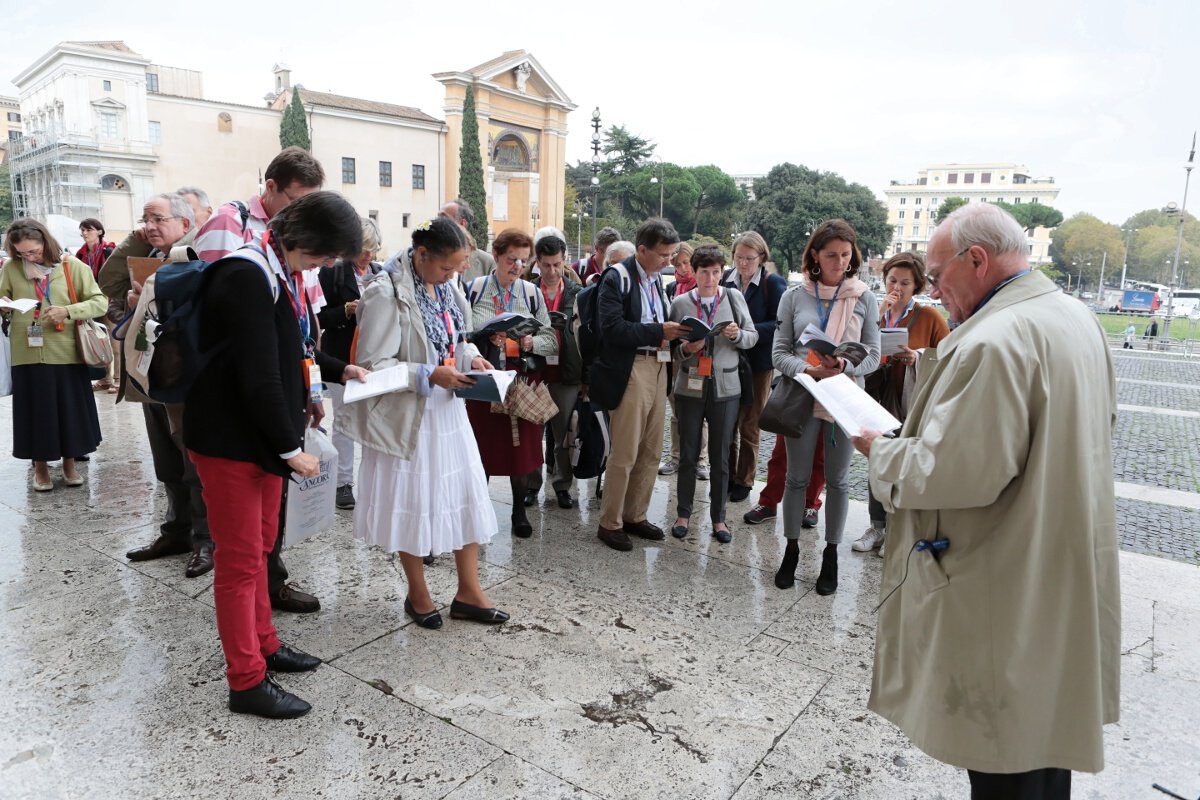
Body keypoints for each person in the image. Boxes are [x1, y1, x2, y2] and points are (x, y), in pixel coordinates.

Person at [851, 202, 1118, 799]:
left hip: (1002, 572)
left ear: (978, 259)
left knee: (1005, 751)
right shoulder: (1074, 316)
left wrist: (879, 449)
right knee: (1042, 743)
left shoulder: (993, 340)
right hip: (1055, 554)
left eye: (940, 275)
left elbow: (956, 472)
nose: (936, 291)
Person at [184, 191, 368, 719]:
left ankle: (266, 644)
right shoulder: (246, 272)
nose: (328, 265)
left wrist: (322, 382)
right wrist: (292, 450)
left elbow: (291, 352)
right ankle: (245, 680)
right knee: (240, 563)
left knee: (261, 550)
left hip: (260, 438)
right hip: (233, 441)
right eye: (326, 254)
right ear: (303, 237)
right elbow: (257, 373)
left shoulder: (273, 267)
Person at [339, 217, 508, 629]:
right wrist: (427, 374)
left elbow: (454, 338)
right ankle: (418, 593)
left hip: (448, 409)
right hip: (409, 415)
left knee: (464, 493)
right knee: (413, 501)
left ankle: (469, 590)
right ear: (421, 255)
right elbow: (372, 365)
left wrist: (471, 358)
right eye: (447, 267)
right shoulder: (385, 292)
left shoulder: (444, 286)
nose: (452, 276)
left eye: (457, 269)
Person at [192, 147, 327, 613]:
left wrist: (312, 388)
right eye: (295, 201)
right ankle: (248, 668)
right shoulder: (235, 237)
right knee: (242, 550)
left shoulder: (292, 250)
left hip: (274, 401)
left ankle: (265, 622)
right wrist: (287, 444)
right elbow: (235, 336)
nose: (302, 213)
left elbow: (301, 329)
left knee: (264, 535)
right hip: (236, 412)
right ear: (270, 188)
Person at [772, 219, 880, 595]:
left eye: (846, 255)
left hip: (845, 401)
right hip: (803, 396)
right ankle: (790, 549)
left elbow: (875, 356)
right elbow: (779, 353)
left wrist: (846, 365)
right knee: (796, 478)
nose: (839, 262)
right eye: (831, 254)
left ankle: (830, 554)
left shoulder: (864, 296)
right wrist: (809, 370)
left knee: (836, 481)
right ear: (815, 255)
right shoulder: (794, 295)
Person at [118, 194, 216, 579]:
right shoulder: (149, 261)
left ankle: (204, 539)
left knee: (193, 462)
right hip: (149, 376)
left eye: (158, 219)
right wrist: (134, 303)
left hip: (182, 379)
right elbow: (107, 278)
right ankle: (175, 532)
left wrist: (152, 302)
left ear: (185, 223)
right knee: (164, 461)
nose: (149, 226)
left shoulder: (197, 263)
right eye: (145, 219)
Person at [589, 218, 687, 551]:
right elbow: (612, 329)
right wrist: (660, 331)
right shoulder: (617, 277)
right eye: (663, 254)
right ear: (642, 250)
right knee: (626, 451)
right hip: (630, 367)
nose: (668, 261)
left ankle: (635, 514)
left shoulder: (657, 280)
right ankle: (610, 522)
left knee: (650, 450)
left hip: (659, 367)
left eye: (672, 255)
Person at [851, 252, 949, 558]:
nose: (898, 287)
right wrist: (878, 312)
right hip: (875, 397)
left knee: (905, 464)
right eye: (892, 280)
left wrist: (915, 357)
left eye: (905, 282)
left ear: (916, 285)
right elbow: (855, 343)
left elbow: (946, 358)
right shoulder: (875, 311)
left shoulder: (929, 317)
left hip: (910, 401)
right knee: (876, 459)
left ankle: (898, 528)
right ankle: (876, 526)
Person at [0, 219, 107, 491]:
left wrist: (67, 311)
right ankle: (40, 469)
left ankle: (70, 466)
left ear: (45, 243)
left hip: (67, 352)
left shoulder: (73, 267)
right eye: (22, 253)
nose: (28, 257)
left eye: (33, 252)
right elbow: (3, 299)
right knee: (35, 412)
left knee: (68, 411)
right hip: (26, 353)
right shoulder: (11, 269)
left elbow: (99, 302)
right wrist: (5, 306)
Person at [464, 228, 557, 538]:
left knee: (521, 451)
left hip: (521, 381)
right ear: (496, 256)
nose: (516, 266)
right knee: (483, 448)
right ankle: (479, 511)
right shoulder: (474, 289)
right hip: (485, 379)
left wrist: (530, 342)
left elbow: (550, 340)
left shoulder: (531, 294)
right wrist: (481, 338)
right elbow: (460, 335)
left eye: (522, 260)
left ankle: (519, 511)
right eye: (510, 259)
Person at [666, 245, 757, 543]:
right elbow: (670, 350)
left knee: (720, 456)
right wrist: (686, 348)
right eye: (704, 271)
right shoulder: (680, 302)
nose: (710, 278)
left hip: (726, 387)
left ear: (722, 271)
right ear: (693, 271)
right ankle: (683, 513)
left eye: (716, 272)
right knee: (688, 454)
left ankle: (719, 518)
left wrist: (737, 335)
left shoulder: (733, 297)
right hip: (690, 385)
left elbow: (752, 336)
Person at [318, 217, 383, 511]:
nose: (368, 256)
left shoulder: (381, 273)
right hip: (341, 356)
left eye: (373, 249)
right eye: (364, 249)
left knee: (373, 422)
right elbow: (319, 317)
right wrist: (346, 309)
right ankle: (343, 482)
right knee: (343, 422)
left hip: (372, 358)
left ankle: (373, 481)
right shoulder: (332, 272)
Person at [723, 231, 787, 503]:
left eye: (749, 258)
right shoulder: (727, 279)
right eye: (738, 257)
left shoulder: (772, 284)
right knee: (726, 421)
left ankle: (745, 479)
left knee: (750, 424)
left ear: (761, 258)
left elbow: (781, 324)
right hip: (727, 360)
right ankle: (725, 474)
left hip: (758, 364)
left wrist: (747, 331)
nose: (743, 263)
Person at [526, 233, 583, 509]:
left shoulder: (575, 292)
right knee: (532, 434)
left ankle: (562, 485)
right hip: (535, 371)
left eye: (557, 265)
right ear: (538, 262)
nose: (552, 271)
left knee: (563, 436)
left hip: (566, 371)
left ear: (564, 262)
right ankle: (531, 485)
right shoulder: (526, 290)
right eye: (546, 265)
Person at [660, 243, 709, 479]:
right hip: (677, 354)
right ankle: (676, 457)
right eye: (676, 264)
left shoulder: (703, 288)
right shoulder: (671, 288)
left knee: (699, 409)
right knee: (676, 409)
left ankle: (700, 460)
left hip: (699, 356)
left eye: (685, 262)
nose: (681, 268)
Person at [75, 218, 117, 392]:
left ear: (99, 231)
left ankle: (118, 378)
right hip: (90, 301)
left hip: (109, 299)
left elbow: (117, 275)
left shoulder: (109, 251)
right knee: (97, 339)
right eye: (82, 230)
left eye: (89, 230)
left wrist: (113, 297)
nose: (85, 233)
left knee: (114, 340)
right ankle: (105, 378)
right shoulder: (80, 255)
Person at [437, 198, 495, 282]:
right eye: (438, 217)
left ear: (462, 223)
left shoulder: (487, 263)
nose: (437, 222)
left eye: (444, 218)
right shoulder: (430, 259)